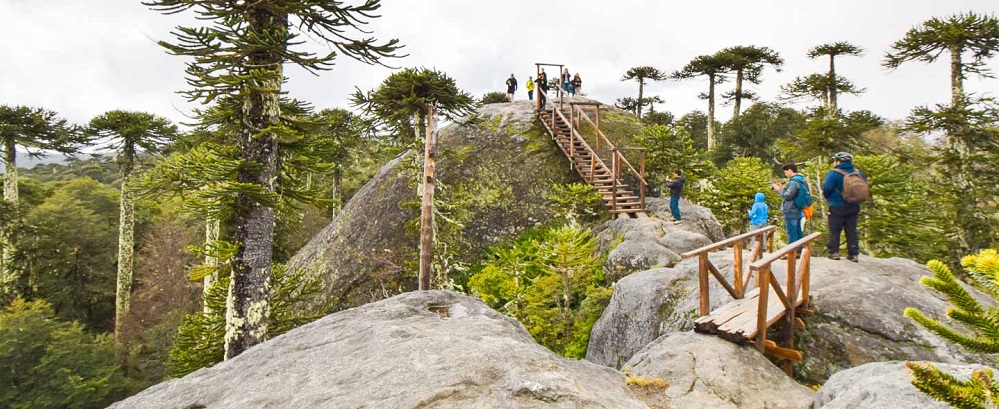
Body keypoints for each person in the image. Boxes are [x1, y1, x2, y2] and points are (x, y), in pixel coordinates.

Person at [822, 152, 866, 262]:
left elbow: (827, 188)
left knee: (835, 230)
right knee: (852, 230)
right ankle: (853, 254)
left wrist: (829, 198)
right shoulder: (858, 174)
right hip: (854, 206)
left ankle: (834, 252)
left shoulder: (834, 173)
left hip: (837, 206)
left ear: (838, 161)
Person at [772, 163, 808, 251]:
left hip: (791, 209)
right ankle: (799, 250)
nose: (786, 174)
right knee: (798, 231)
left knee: (792, 232)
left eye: (785, 172)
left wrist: (778, 189)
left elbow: (788, 196)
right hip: (798, 209)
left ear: (790, 170)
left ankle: (792, 252)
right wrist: (783, 188)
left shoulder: (794, 181)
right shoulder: (801, 180)